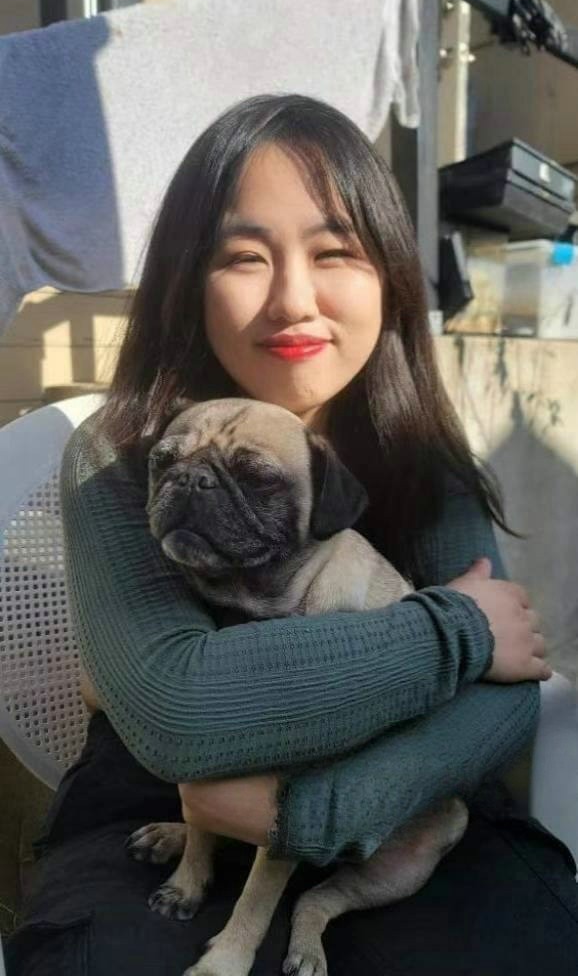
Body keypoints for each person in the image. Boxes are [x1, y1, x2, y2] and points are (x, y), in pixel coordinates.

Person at [7, 93, 578, 976]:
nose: (292, 299)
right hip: (159, 803)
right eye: (244, 256)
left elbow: (506, 703)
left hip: (404, 807)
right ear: (187, 279)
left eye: (334, 252)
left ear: (389, 276)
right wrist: (455, 633)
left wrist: (315, 813)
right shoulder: (118, 453)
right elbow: (177, 711)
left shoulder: (425, 462)